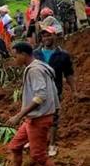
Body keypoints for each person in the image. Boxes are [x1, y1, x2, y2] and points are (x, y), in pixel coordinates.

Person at [6, 42, 77, 166]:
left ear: (24, 54)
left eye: (15, 55)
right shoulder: (38, 66)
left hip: (39, 118)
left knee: (39, 156)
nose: (14, 59)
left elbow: (40, 96)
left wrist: (19, 115)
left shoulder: (35, 70)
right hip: (34, 118)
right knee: (15, 146)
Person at [33, 26, 78, 157]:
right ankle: (37, 141)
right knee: (36, 116)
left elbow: (68, 74)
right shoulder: (36, 54)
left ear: (55, 36)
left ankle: (52, 144)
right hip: (38, 90)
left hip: (55, 91)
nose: (46, 38)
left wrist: (74, 90)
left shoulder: (63, 55)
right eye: (44, 36)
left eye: (49, 35)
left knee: (53, 117)